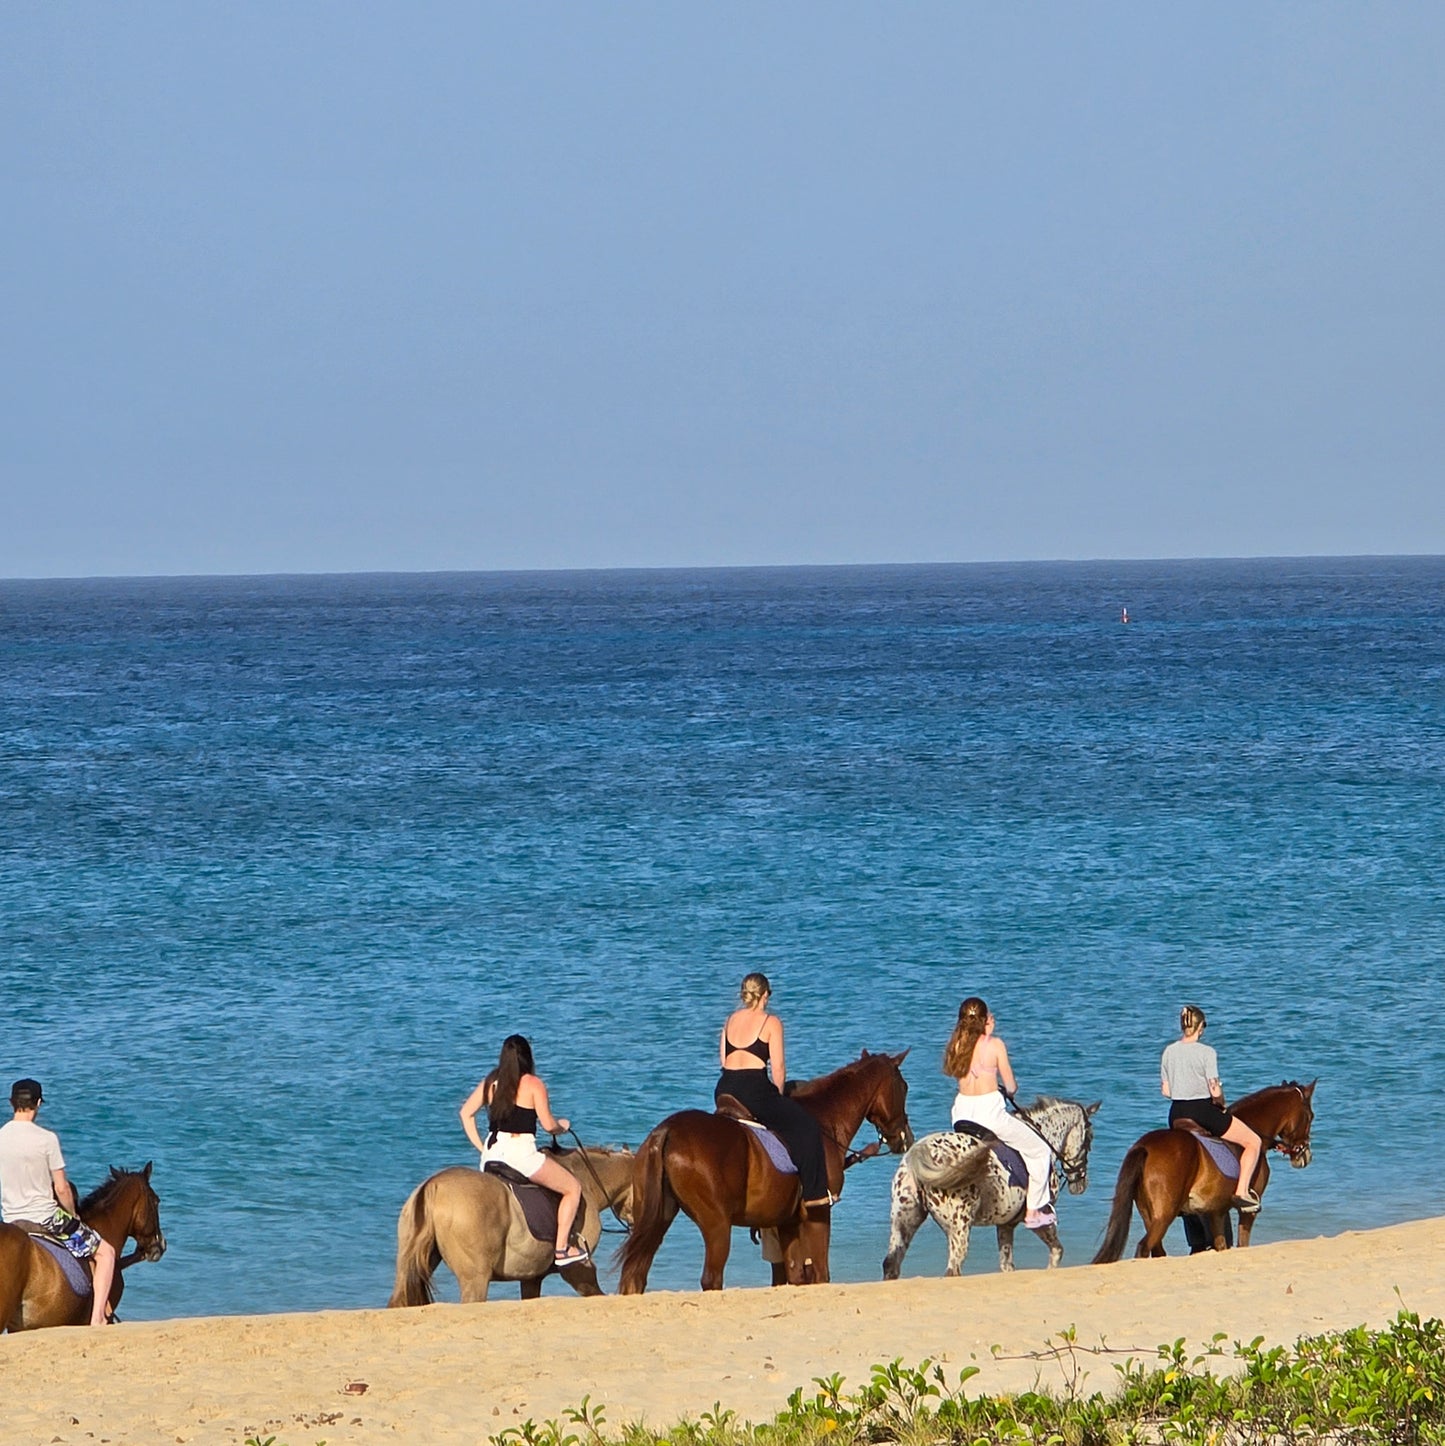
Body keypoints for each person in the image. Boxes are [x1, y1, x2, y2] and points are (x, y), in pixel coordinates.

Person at [459, 1036, 589, 1267]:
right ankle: (561, 1249)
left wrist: (481, 1148)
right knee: (572, 1188)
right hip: (520, 1155)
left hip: (490, 1155)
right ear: (527, 1057)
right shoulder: (533, 1084)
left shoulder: (491, 1081)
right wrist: (563, 1125)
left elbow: (466, 1114)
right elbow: (549, 1125)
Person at [0, 1078, 117, 1326]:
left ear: (12, 1103)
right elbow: (62, 1188)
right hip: (47, 1218)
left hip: (10, 1219)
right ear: (38, 1103)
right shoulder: (47, 1139)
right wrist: (73, 1215)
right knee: (106, 1253)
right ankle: (98, 1320)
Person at [715, 972, 831, 1208]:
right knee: (807, 1127)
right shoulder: (771, 1023)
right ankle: (814, 1194)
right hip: (753, 1090)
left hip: (724, 1088)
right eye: (769, 994)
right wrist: (777, 1097)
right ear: (765, 994)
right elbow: (778, 1068)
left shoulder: (729, 1021)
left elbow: (723, 1061)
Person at [943, 997, 1056, 1230]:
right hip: (989, 1116)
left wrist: (982, 1034)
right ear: (985, 1020)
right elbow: (1011, 1086)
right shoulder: (995, 1045)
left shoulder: (956, 1045)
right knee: (1039, 1150)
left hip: (962, 1115)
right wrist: (989, 1036)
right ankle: (1034, 1210)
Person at [1161, 1004, 1262, 1213]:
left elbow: (1166, 1091)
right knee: (1254, 1141)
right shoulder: (1207, 1052)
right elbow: (1214, 1089)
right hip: (1202, 1110)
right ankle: (1242, 1191)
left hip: (1176, 1112)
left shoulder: (1169, 1052)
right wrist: (1221, 1103)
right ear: (1200, 1028)